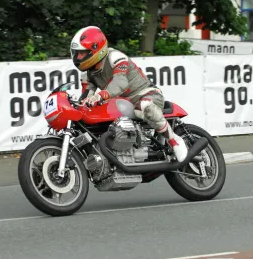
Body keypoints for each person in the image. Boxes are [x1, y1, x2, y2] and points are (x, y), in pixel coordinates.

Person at [70, 26, 188, 162]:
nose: (78, 57)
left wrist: (100, 95)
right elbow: (86, 94)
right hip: (122, 105)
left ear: (96, 49)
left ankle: (174, 141)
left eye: (82, 53)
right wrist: (79, 105)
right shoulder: (88, 72)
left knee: (144, 106)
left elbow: (120, 82)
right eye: (77, 53)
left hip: (146, 94)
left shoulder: (115, 57)